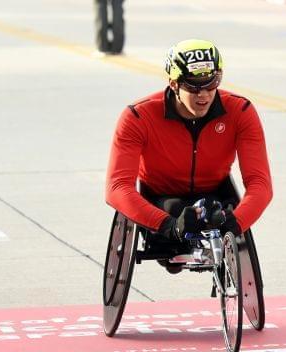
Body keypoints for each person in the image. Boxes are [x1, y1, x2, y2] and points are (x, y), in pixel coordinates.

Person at [105, 39, 272, 255]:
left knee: (219, 211)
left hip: (215, 192)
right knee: (175, 211)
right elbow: (117, 187)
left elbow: (261, 183)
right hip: (161, 197)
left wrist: (237, 223)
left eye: (212, 83)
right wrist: (169, 226)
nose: (203, 94)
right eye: (193, 86)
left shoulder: (241, 112)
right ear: (174, 83)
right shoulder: (137, 117)